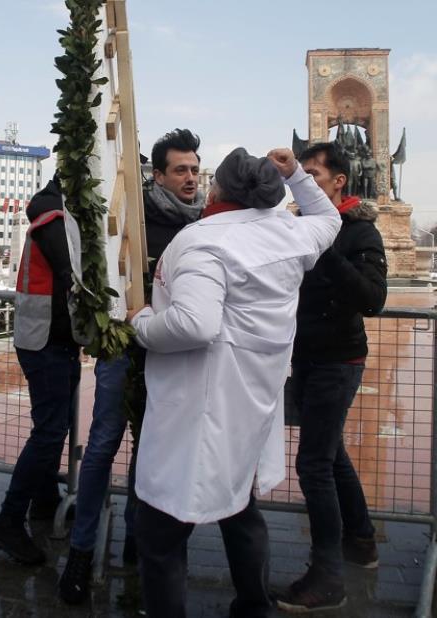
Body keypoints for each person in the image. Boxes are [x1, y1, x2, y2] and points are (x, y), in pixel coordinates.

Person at [128, 147, 341, 618]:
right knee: (240, 511)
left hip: (196, 409)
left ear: (219, 188)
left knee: (161, 534)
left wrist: (139, 322)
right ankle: (254, 606)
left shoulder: (204, 241)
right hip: (252, 407)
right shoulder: (290, 232)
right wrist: (298, 177)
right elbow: (330, 219)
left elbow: (193, 325)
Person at [58, 129, 205, 604]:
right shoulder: (129, 219)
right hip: (123, 350)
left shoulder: (199, 227)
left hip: (166, 357)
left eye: (195, 169)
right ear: (157, 175)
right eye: (180, 170)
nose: (190, 178)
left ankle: (136, 551)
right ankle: (81, 552)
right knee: (102, 445)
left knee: (151, 453)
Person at [278, 142, 387, 613]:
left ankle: (327, 579)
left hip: (337, 361)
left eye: (314, 176)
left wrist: (323, 248)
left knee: (313, 465)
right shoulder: (299, 226)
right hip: (306, 357)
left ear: (338, 181)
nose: (305, 183)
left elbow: (372, 298)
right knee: (331, 453)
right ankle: (361, 540)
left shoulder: (360, 233)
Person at [0, 177, 84, 565]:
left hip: (49, 338)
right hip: (44, 340)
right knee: (49, 430)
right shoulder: (53, 216)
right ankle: (8, 520)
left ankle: (44, 501)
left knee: (51, 425)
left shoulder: (55, 212)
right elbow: (72, 275)